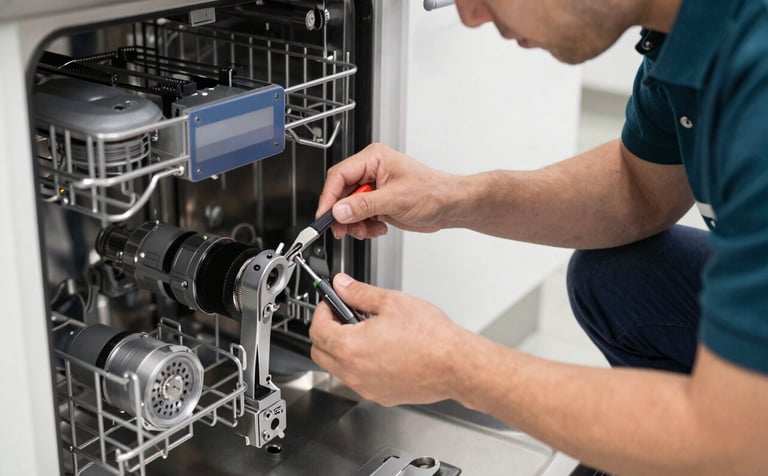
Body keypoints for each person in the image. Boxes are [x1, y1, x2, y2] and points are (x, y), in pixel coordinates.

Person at [308, 0, 768, 474]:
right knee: (614, 281)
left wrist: (455, 367)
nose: (469, 15)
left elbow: (737, 433)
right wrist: (450, 198)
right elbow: (640, 190)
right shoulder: (683, 36)